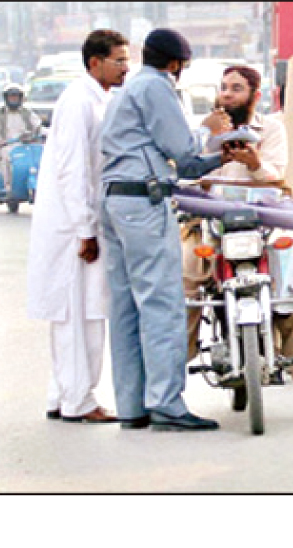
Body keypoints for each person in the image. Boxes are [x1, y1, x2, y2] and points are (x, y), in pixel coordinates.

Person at [182, 64, 293, 420]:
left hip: (261, 226)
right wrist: (208, 155)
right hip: (209, 225)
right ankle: (166, 389)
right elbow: (186, 172)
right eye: (224, 87)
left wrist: (255, 165)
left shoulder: (271, 129)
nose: (226, 94)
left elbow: (278, 180)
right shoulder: (204, 130)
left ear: (254, 96)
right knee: (185, 291)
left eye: (236, 88)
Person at [100, 28, 234, 431]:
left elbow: (186, 163)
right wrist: (211, 129)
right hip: (144, 201)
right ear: (177, 64)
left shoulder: (127, 90)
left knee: (126, 308)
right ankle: (166, 405)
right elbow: (185, 154)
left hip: (116, 200)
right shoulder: (156, 88)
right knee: (161, 304)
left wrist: (218, 156)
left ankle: (133, 406)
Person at [26, 30, 130, 424]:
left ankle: (63, 394)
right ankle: (79, 402)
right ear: (95, 63)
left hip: (79, 220)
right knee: (79, 315)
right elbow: (73, 170)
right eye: (118, 60)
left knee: (78, 313)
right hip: (73, 226)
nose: (125, 67)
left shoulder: (98, 99)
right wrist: (85, 229)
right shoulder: (78, 101)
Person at [0, 83, 42, 194]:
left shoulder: (27, 112)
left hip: (26, 145)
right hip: (7, 145)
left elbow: (37, 125)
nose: (13, 99)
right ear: (6, 98)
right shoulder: (1, 113)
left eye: (16, 96)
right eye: (11, 96)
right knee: (6, 158)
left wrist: (39, 133)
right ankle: (8, 186)